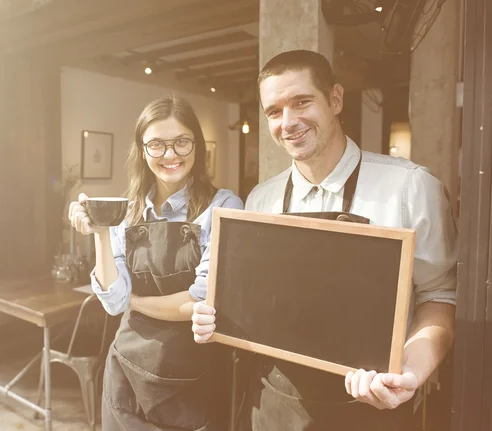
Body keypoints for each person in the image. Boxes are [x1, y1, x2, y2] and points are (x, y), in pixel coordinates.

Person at [191, 50, 457, 431]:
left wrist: (410, 373)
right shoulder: (260, 200)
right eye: (274, 111)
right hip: (274, 402)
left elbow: (440, 297)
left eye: (302, 102)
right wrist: (215, 316)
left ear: (335, 99)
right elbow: (256, 303)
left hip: (372, 401)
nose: (289, 122)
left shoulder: (410, 187)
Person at [69, 94, 243, 431]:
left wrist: (134, 301)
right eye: (157, 145)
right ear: (142, 149)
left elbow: (199, 300)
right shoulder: (127, 209)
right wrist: (99, 232)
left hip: (194, 379)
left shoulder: (224, 206)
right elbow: (113, 301)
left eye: (181, 142)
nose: (170, 155)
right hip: (128, 377)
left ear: (197, 145)